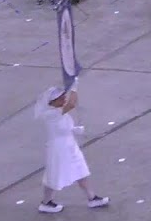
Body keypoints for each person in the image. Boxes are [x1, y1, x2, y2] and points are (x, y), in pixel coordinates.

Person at [35, 86, 109, 214]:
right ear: (52, 102)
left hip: (69, 145)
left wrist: (74, 130)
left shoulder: (57, 111)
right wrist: (74, 87)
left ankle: (92, 198)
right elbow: (72, 103)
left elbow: (62, 127)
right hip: (58, 149)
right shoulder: (51, 114)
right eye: (60, 98)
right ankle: (46, 202)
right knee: (54, 175)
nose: (64, 99)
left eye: (64, 96)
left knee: (80, 169)